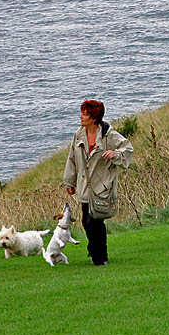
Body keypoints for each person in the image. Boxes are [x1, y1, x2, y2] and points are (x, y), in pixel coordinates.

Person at [63, 100, 133, 266]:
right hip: (84, 187)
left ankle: (100, 258)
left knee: (94, 221)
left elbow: (127, 149)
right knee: (86, 223)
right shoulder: (78, 135)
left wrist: (115, 154)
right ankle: (95, 250)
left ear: (94, 117)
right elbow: (71, 159)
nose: (81, 116)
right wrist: (69, 182)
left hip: (102, 186)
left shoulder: (109, 134)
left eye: (84, 113)